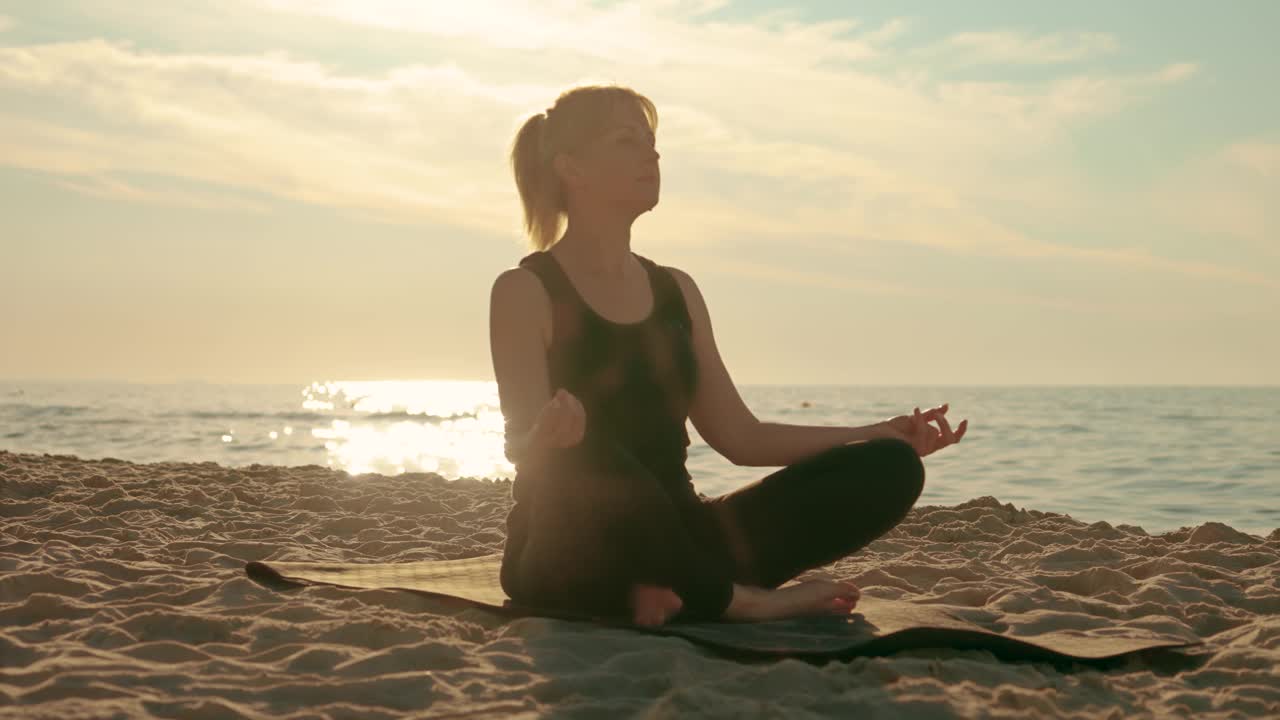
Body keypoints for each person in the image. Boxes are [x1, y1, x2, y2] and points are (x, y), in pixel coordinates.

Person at [489, 83, 968, 628]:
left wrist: (876, 433)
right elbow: (523, 444)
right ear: (571, 167)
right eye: (628, 141)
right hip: (568, 547)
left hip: (683, 539)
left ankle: (676, 588)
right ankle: (737, 601)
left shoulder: (676, 291)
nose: (652, 156)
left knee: (891, 469)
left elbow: (741, 437)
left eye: (653, 144)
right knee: (584, 433)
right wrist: (547, 437)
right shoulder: (524, 291)